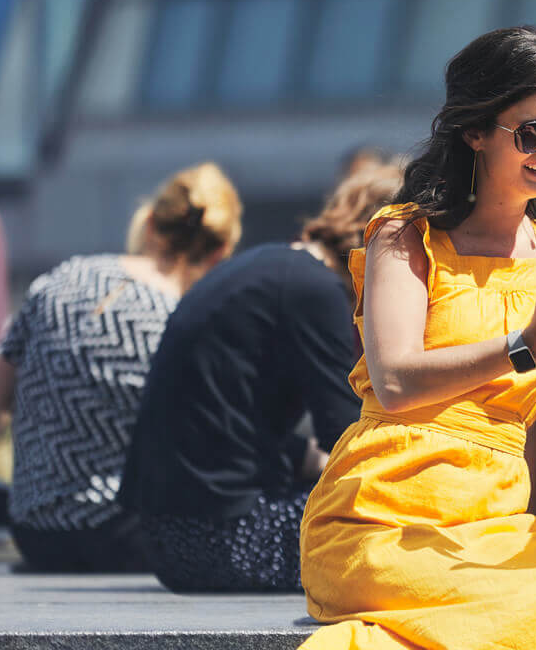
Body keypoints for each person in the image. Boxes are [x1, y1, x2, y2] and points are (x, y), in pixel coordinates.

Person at [298, 27, 536, 650]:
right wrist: (525, 344)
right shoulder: (403, 236)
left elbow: (527, 418)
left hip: (496, 526)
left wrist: (529, 522)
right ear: (475, 131)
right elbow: (397, 381)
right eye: (534, 131)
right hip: (384, 517)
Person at [118, 162, 405, 593]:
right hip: (221, 539)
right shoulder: (315, 291)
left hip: (170, 535)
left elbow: (227, 414)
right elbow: (350, 443)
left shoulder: (273, 267)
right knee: (413, 541)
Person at [0, 162, 242, 571]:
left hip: (35, 531)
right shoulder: (188, 321)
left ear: (149, 224)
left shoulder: (61, 279)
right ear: (219, 254)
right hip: (127, 536)